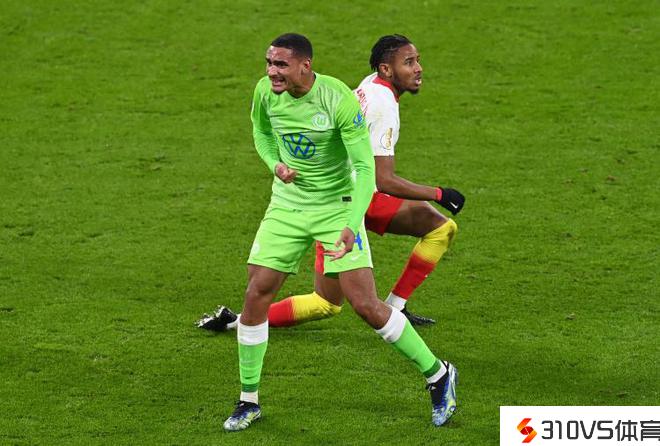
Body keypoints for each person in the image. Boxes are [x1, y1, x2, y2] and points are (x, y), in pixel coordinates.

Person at [222, 33, 457, 432]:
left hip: (336, 208)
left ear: (305, 66)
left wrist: (351, 224)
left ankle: (438, 374)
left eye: (280, 65)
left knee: (365, 305)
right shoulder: (265, 92)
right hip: (287, 206)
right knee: (257, 291)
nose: (271, 72)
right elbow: (261, 133)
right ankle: (249, 401)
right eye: (269, 63)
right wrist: (274, 164)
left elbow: (366, 170)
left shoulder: (337, 100)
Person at [199, 34, 465, 332]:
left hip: (330, 193)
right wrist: (440, 193)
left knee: (326, 302)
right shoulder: (383, 107)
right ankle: (396, 309)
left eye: (417, 61)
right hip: (352, 195)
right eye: (409, 62)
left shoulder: (370, 85)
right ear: (386, 70)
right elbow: (383, 179)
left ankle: (238, 321)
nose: (418, 68)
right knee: (441, 229)